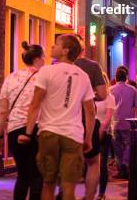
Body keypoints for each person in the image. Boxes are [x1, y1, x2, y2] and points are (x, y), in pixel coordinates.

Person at [18, 34, 95, 200]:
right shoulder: (83, 76)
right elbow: (90, 111)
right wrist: (88, 138)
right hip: (73, 136)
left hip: (49, 133)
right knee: (68, 186)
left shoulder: (46, 71)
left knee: (48, 183)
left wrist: (28, 133)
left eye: (56, 44)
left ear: (65, 50)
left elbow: (35, 104)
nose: (52, 46)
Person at [0, 41, 44, 200]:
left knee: (23, 175)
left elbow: (3, 111)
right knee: (37, 175)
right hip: (37, 129)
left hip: (14, 130)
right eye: (43, 57)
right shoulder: (43, 77)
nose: (44, 60)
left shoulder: (10, 78)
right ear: (37, 59)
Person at [73, 34, 107, 200]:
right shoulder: (93, 66)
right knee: (93, 162)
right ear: (82, 48)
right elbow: (102, 94)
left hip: (63, 120)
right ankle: (88, 197)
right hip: (87, 118)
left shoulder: (55, 66)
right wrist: (89, 95)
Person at [110, 67, 137, 180]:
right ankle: (125, 163)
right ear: (126, 78)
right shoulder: (133, 90)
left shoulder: (110, 90)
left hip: (115, 122)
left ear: (115, 78)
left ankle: (120, 169)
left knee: (117, 147)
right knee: (128, 145)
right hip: (128, 122)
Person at [96, 72, 116, 200]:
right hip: (90, 132)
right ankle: (90, 192)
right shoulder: (90, 96)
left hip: (104, 132)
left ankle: (101, 193)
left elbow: (108, 117)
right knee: (90, 163)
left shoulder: (109, 97)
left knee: (102, 163)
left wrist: (100, 130)